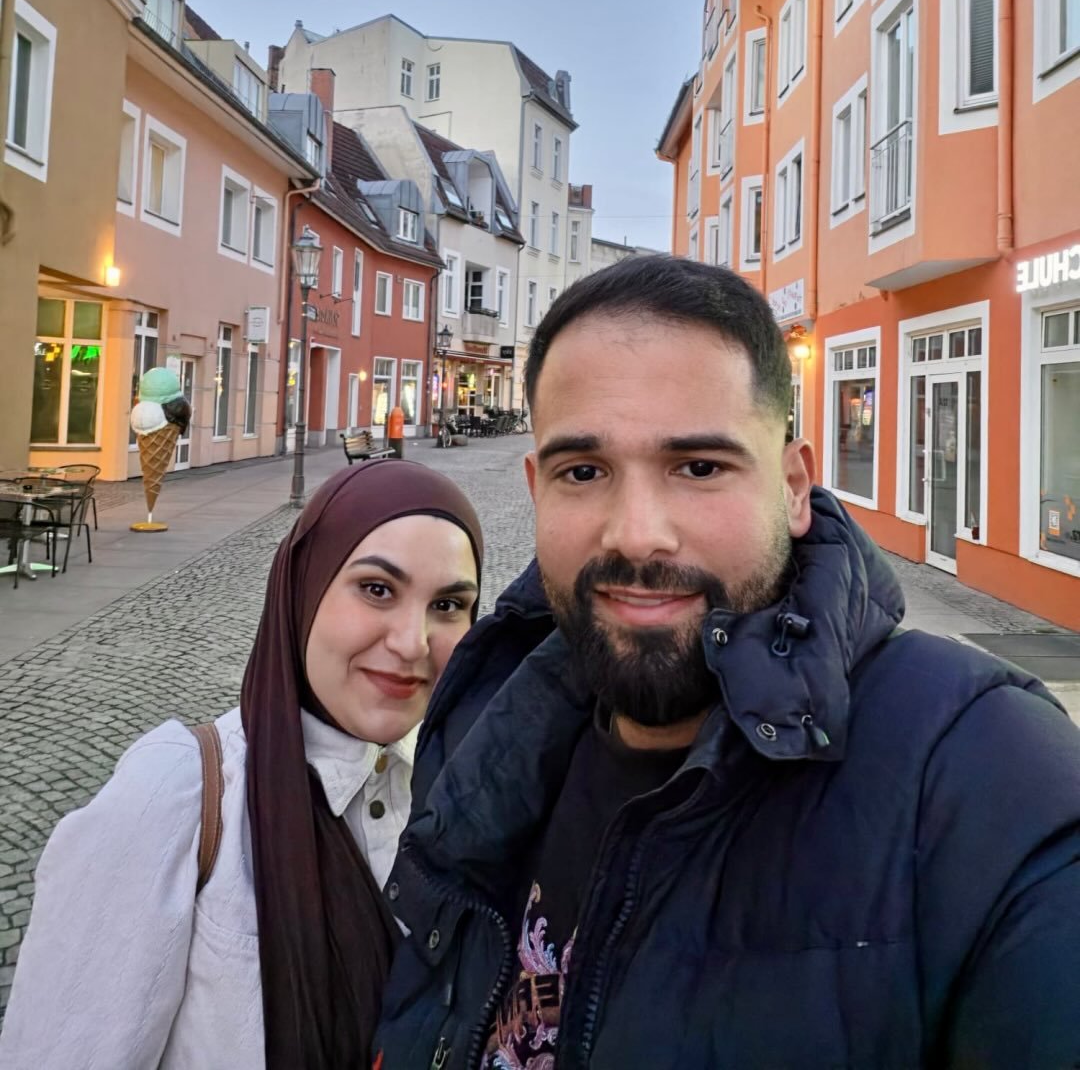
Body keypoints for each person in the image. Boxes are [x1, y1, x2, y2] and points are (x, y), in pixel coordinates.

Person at [374, 256, 1080, 1069]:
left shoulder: (987, 776)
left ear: (793, 486)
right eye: (584, 472)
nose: (637, 534)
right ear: (538, 490)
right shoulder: (483, 730)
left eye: (700, 468)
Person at [0, 459, 483, 1070]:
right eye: (377, 589)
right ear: (304, 588)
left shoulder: (461, 797)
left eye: (448, 605)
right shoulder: (178, 794)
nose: (413, 642)